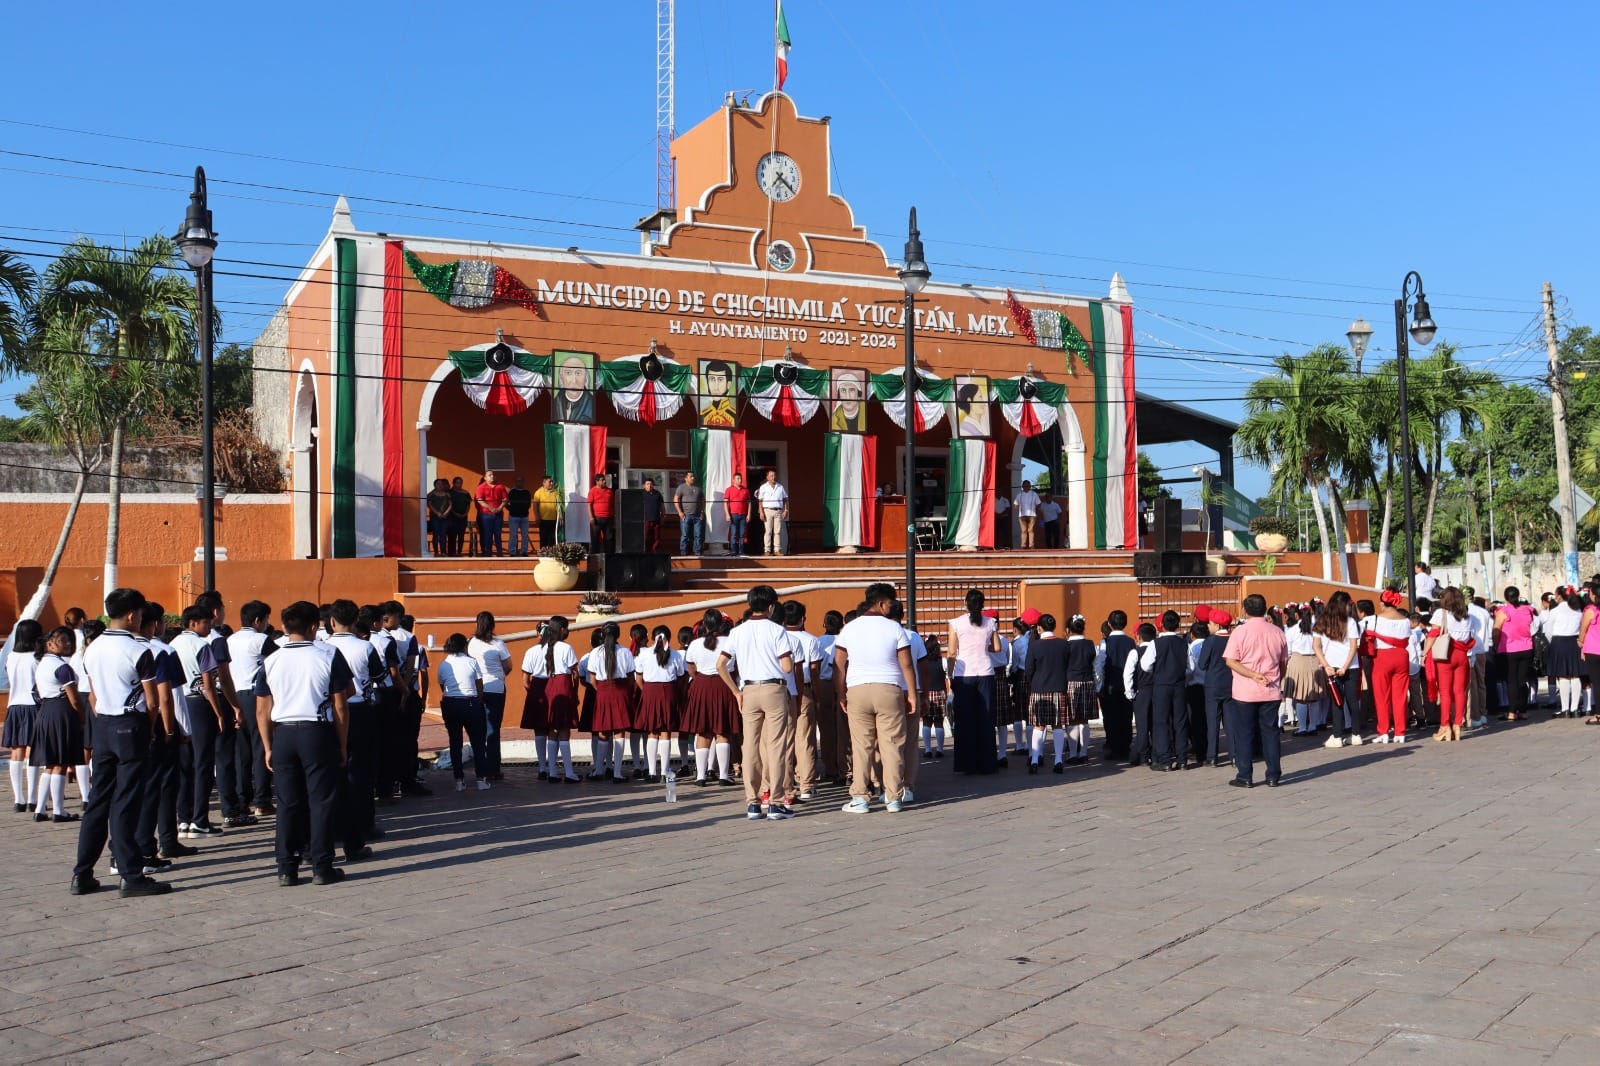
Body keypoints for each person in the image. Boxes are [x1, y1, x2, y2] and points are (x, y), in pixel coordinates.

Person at [72, 587, 170, 897]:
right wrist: (150, 728)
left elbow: (93, 694)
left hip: (104, 725)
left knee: (98, 802)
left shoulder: (92, 647)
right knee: (126, 802)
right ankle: (131, 874)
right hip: (131, 725)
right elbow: (152, 701)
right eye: (140, 614)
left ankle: (82, 873)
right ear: (132, 615)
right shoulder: (138, 650)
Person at [257, 600, 353, 887]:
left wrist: (268, 745)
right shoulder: (327, 654)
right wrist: (343, 743)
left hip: (284, 732)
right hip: (315, 731)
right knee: (321, 801)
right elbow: (341, 705)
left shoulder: (272, 659)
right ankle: (322, 865)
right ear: (315, 626)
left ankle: (286, 868)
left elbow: (262, 708)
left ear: (285, 627)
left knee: (287, 803)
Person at [833, 583, 916, 813]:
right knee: (892, 745)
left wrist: (841, 693)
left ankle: (859, 797)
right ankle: (893, 797)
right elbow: (906, 663)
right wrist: (911, 693)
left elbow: (838, 663)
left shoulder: (849, 628)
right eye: (891, 602)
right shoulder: (894, 628)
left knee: (861, 746)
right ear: (881, 603)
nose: (893, 606)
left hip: (857, 689)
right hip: (889, 688)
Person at [717, 586, 796, 819]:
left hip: (748, 689)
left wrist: (736, 692)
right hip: (774, 688)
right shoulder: (777, 630)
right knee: (776, 746)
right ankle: (775, 801)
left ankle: (752, 801)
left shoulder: (738, 631)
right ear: (771, 606)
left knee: (750, 746)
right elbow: (787, 667)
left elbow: (721, 664)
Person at [1222, 593, 1289, 788]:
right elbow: (1283, 662)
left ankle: (1245, 775)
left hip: (1245, 691)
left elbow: (1231, 661)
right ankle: (1273, 775)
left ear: (1245, 610)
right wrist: (1277, 678)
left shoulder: (1240, 632)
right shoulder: (1277, 632)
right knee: (1271, 732)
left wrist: (1252, 675)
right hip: (1271, 689)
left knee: (1244, 733)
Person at [29, 627, 84, 823]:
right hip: (61, 711)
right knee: (60, 763)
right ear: (49, 643)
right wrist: (82, 717)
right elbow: (74, 698)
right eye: (63, 640)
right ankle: (59, 811)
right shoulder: (62, 667)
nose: (68, 644)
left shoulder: (43, 663)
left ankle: (40, 809)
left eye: (69, 640)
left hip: (45, 712)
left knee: (50, 764)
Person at [228, 600, 276, 817]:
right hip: (255, 694)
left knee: (242, 752)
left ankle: (242, 800)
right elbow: (278, 660)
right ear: (258, 620)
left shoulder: (229, 639)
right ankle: (262, 800)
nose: (267, 624)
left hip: (234, 694)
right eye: (266, 619)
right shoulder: (260, 639)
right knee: (261, 747)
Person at [683, 610, 739, 787]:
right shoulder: (729, 641)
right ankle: (723, 775)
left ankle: (700, 776)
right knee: (723, 731)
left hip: (702, 686)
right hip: (724, 685)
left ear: (704, 624)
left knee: (703, 731)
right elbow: (735, 666)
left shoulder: (695, 644)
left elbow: (691, 669)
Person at [947, 588, 1001, 775]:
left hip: (964, 674)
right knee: (986, 719)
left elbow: (952, 653)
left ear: (966, 603)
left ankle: (967, 764)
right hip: (986, 672)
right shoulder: (990, 622)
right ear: (983, 604)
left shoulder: (956, 623)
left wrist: (950, 675)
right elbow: (996, 647)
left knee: (965, 720)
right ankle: (987, 763)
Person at [522, 617, 580, 783]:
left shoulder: (534, 650)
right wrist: (575, 694)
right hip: (561, 687)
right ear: (560, 629)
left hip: (541, 689)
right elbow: (574, 673)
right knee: (562, 730)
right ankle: (568, 772)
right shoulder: (565, 647)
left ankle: (547, 770)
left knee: (543, 730)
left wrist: (534, 693)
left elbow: (525, 680)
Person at [436, 633, 490, 791]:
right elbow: (479, 685)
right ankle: (481, 779)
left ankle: (459, 780)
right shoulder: (472, 662)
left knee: (455, 742)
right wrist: (478, 701)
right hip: (470, 703)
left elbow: (442, 685)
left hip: (451, 703)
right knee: (478, 742)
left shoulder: (444, 664)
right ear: (463, 646)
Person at [587, 621, 638, 785]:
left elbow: (592, 679)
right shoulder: (625, 652)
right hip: (621, 691)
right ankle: (617, 773)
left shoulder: (595, 652)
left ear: (602, 634)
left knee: (603, 732)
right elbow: (631, 678)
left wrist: (601, 690)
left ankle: (599, 770)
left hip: (602, 691)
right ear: (618, 635)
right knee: (619, 731)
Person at [782, 601, 823, 802]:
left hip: (782, 690)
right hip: (803, 689)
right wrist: (816, 696)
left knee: (784, 741)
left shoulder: (777, 637)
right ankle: (807, 783)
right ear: (802, 618)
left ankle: (786, 783)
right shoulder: (810, 640)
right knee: (805, 739)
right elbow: (814, 671)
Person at [636, 625, 685, 783]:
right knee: (666, 732)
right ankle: (664, 772)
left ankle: (651, 772)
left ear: (652, 638)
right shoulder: (676, 654)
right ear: (668, 638)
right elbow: (680, 675)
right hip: (668, 691)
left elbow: (638, 678)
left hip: (650, 691)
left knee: (652, 731)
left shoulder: (644, 654)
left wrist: (647, 691)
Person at [1427, 587, 1476, 742]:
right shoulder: (1468, 617)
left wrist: (1424, 653)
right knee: (1460, 691)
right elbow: (1469, 637)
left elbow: (1433, 635)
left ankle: (1444, 726)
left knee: (1445, 692)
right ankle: (1457, 725)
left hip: (1446, 655)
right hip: (1462, 655)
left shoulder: (1440, 614)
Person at [1023, 613, 1070, 772]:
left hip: (1039, 688)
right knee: (1058, 726)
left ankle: (1035, 760)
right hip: (1058, 687)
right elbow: (1067, 666)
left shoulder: (1034, 646)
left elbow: (1028, 670)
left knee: (1038, 726)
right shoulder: (1064, 644)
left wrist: (1033, 682)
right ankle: (1058, 761)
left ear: (1039, 628)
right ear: (1054, 627)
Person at [468, 612, 512, 780]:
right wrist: (499, 675)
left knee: (479, 729)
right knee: (493, 729)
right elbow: (508, 666)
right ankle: (493, 769)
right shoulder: (498, 644)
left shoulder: (471, 643)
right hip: (496, 687)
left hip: (477, 688)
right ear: (492, 625)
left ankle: (482, 767)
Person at [1315, 592, 1361, 748]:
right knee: (1353, 701)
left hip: (1331, 666)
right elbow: (1354, 647)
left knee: (1337, 702)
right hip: (1351, 666)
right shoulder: (1351, 622)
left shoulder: (1321, 621)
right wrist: (1345, 666)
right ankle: (1356, 734)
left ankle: (1337, 735)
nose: (1350, 607)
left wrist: (1326, 665)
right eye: (1349, 604)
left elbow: (1316, 646)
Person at [5, 619, 42, 813]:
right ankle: (33, 798)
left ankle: (19, 798)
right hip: (33, 706)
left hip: (14, 705)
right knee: (33, 750)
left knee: (16, 751)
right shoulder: (37, 658)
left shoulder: (10, 656)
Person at [1368, 588, 1413, 744]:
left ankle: (1384, 731)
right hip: (1401, 656)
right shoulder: (1406, 620)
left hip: (1382, 657)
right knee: (1400, 696)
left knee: (1382, 697)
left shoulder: (1375, 619)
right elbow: (1407, 639)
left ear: (1382, 603)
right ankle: (1400, 732)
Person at [1148, 610, 1192, 771]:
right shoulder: (1183, 643)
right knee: (1180, 721)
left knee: (1161, 722)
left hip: (1161, 685)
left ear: (1162, 625)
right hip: (1179, 685)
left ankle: (1165, 759)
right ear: (1178, 625)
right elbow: (1191, 667)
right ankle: (1182, 759)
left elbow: (1145, 665)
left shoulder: (1155, 644)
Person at [1194, 608, 1233, 765]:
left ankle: (1212, 756)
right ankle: (1234, 755)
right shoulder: (1233, 638)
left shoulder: (1210, 641)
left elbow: (1202, 664)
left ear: (1216, 625)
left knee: (1213, 722)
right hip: (1230, 683)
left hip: (1213, 685)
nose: (1208, 626)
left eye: (1210, 623)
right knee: (1230, 722)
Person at [1096, 611, 1136, 761]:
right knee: (1126, 716)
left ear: (1109, 624)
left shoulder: (1105, 643)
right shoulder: (1131, 642)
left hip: (1110, 685)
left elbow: (1100, 665)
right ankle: (1125, 746)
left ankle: (1113, 746)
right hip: (1127, 686)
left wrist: (1099, 686)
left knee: (1111, 717)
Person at [1542, 586, 1585, 717]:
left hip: (1558, 642)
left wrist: (1552, 642)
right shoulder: (1578, 610)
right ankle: (1575, 709)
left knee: (1563, 675)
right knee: (1575, 675)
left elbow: (1548, 630)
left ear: (1560, 596)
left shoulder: (1555, 611)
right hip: (1574, 642)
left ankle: (1565, 709)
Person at [1496, 587, 1537, 723]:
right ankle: (1523, 711)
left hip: (1509, 649)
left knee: (1512, 681)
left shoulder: (1503, 611)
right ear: (1519, 596)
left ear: (1505, 597)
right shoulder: (1527, 609)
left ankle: (1512, 712)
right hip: (1527, 648)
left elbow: (1496, 631)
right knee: (1522, 680)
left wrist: (1496, 646)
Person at [1283, 608, 1326, 736]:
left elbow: (1288, 651)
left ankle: (1302, 728)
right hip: (1315, 661)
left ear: (1297, 615)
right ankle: (1313, 726)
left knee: (1300, 697)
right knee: (1314, 698)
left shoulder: (1292, 630)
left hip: (1298, 662)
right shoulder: (1318, 628)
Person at [475, 470, 508, 557]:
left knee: (498, 534)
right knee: (487, 534)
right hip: (485, 515)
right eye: (490, 475)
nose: (492, 476)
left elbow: (505, 499)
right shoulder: (481, 487)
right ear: (485, 478)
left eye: (493, 475)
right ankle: (488, 552)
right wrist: (490, 508)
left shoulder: (500, 486)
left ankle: (499, 552)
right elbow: (480, 500)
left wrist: (499, 508)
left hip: (498, 515)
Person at [553, 354, 595, 423]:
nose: (574, 381)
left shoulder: (591, 404)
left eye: (578, 373)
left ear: (585, 378)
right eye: (568, 373)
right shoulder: (556, 401)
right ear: (561, 378)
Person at [756, 470, 789, 556]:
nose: (773, 477)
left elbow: (785, 499)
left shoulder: (780, 487)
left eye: (774, 475)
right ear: (767, 477)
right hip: (767, 510)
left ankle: (777, 550)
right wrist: (761, 512)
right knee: (768, 531)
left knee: (777, 532)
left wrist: (786, 510)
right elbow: (760, 500)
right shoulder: (763, 487)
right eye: (771, 476)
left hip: (778, 511)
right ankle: (767, 550)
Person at [673, 472, 704, 556]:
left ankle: (697, 552)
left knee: (698, 535)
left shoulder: (698, 488)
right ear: (686, 478)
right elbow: (675, 499)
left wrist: (702, 511)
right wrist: (680, 512)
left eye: (693, 476)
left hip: (697, 516)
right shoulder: (681, 487)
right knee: (685, 535)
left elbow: (703, 500)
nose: (693, 478)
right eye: (691, 476)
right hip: (685, 516)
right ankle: (684, 552)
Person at [699, 360, 737, 427]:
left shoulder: (734, 416)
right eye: (712, 379)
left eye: (720, 380)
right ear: (707, 383)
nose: (716, 386)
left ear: (728, 384)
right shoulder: (702, 415)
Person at [724, 473, 752, 556]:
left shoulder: (745, 490)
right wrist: (727, 514)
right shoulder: (729, 489)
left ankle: (741, 551)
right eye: (738, 478)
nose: (740, 480)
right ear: (733, 480)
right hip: (733, 514)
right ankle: (733, 551)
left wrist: (749, 514)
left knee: (742, 534)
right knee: (734, 534)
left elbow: (749, 503)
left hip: (743, 515)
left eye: (740, 478)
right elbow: (725, 503)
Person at [505, 477, 533, 556]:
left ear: (523, 482)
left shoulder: (527, 492)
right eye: (518, 481)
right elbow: (505, 503)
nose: (519, 482)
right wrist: (511, 509)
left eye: (521, 481)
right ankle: (512, 552)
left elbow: (529, 504)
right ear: (515, 482)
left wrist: (524, 509)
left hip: (524, 517)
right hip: (513, 517)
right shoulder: (511, 492)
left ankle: (524, 551)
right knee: (513, 535)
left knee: (525, 535)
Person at [534, 475, 563, 550]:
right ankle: (543, 554)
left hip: (553, 520)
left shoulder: (556, 493)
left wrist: (560, 516)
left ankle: (551, 555)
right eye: (549, 482)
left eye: (552, 482)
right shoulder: (538, 492)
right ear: (544, 482)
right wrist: (537, 517)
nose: (551, 483)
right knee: (543, 538)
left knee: (552, 539)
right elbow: (535, 506)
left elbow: (559, 505)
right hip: (543, 519)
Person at [588, 473, 615, 555]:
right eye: (602, 480)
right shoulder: (592, 491)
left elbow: (613, 504)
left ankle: (608, 557)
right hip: (597, 518)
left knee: (608, 539)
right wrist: (591, 517)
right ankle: (594, 557)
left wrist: (613, 515)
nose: (604, 481)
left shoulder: (609, 491)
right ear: (597, 481)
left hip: (608, 518)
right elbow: (589, 504)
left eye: (604, 480)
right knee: (595, 539)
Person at [426, 478, 453, 555]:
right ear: (434, 485)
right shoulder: (431, 494)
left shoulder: (447, 494)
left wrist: (446, 513)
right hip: (435, 517)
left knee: (443, 534)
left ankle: (443, 551)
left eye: (441, 484)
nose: (440, 485)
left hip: (445, 517)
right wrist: (437, 513)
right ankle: (436, 552)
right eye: (438, 484)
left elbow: (450, 504)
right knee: (436, 534)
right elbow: (430, 505)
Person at [448, 477, 472, 557]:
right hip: (453, 517)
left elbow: (468, 504)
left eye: (460, 483)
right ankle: (452, 552)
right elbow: (449, 505)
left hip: (463, 517)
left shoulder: (465, 493)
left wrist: (465, 513)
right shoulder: (450, 492)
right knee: (453, 535)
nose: (459, 484)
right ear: (453, 483)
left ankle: (459, 552)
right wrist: (455, 513)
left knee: (461, 535)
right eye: (457, 483)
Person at [1014, 481, 1041, 549]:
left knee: (1030, 530)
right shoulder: (1019, 494)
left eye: (1027, 485)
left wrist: (1034, 509)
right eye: (1024, 486)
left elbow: (1039, 503)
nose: (1026, 487)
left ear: (1030, 486)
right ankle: (1023, 545)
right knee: (1023, 530)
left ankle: (1031, 545)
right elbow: (1015, 504)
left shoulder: (1034, 494)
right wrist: (1019, 510)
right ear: (1022, 486)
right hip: (1022, 516)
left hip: (1032, 515)